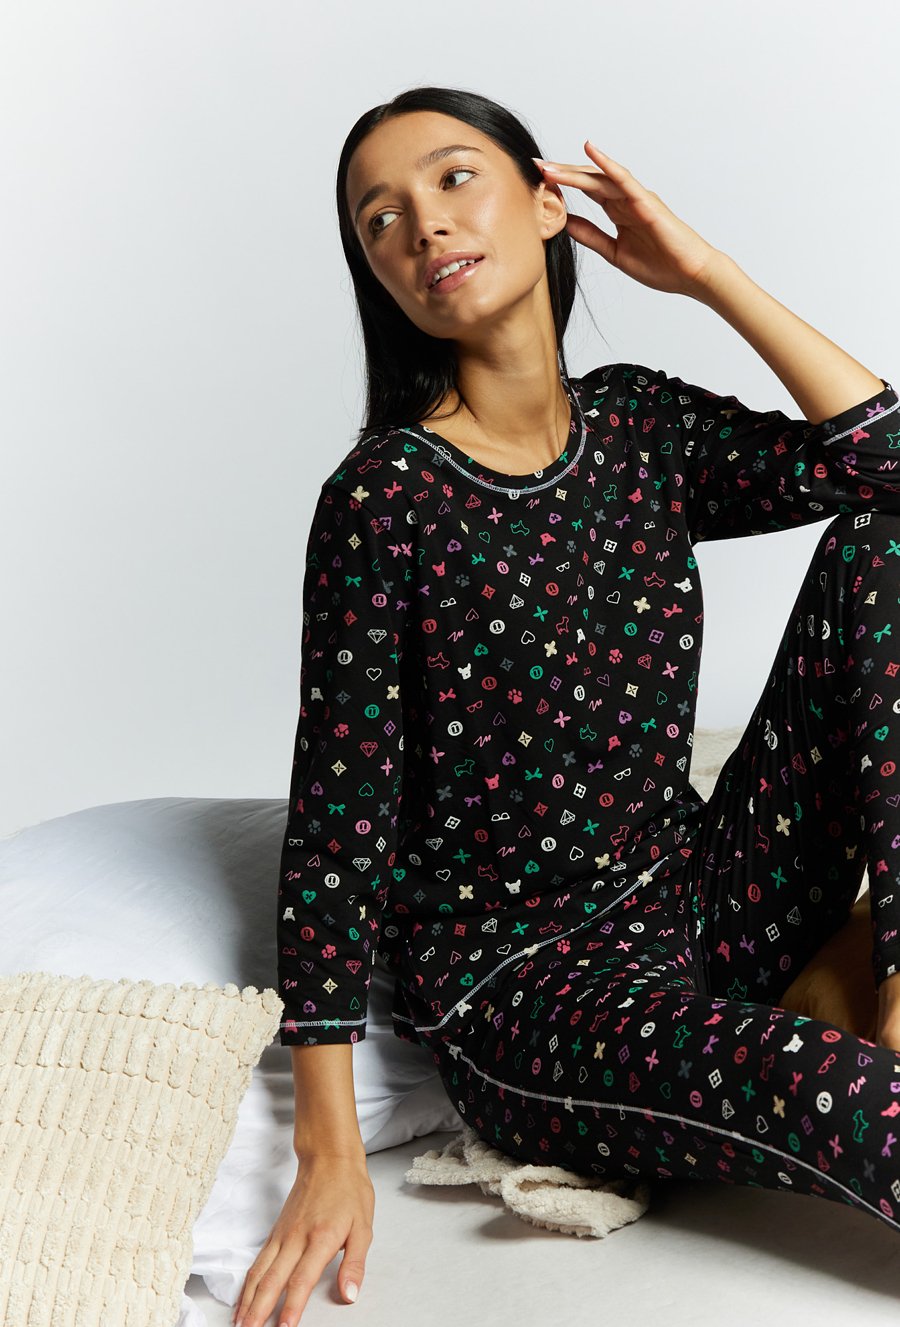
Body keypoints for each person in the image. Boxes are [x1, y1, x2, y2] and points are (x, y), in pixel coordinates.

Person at [232, 86, 900, 1327]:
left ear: (547, 203)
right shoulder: (385, 499)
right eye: (379, 219)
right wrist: (326, 1144)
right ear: (379, 275)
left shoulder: (640, 424)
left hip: (706, 899)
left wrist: (703, 274)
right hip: (536, 994)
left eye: (452, 178)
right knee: (847, 1093)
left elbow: (884, 463)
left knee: (885, 545)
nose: (422, 225)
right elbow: (337, 828)